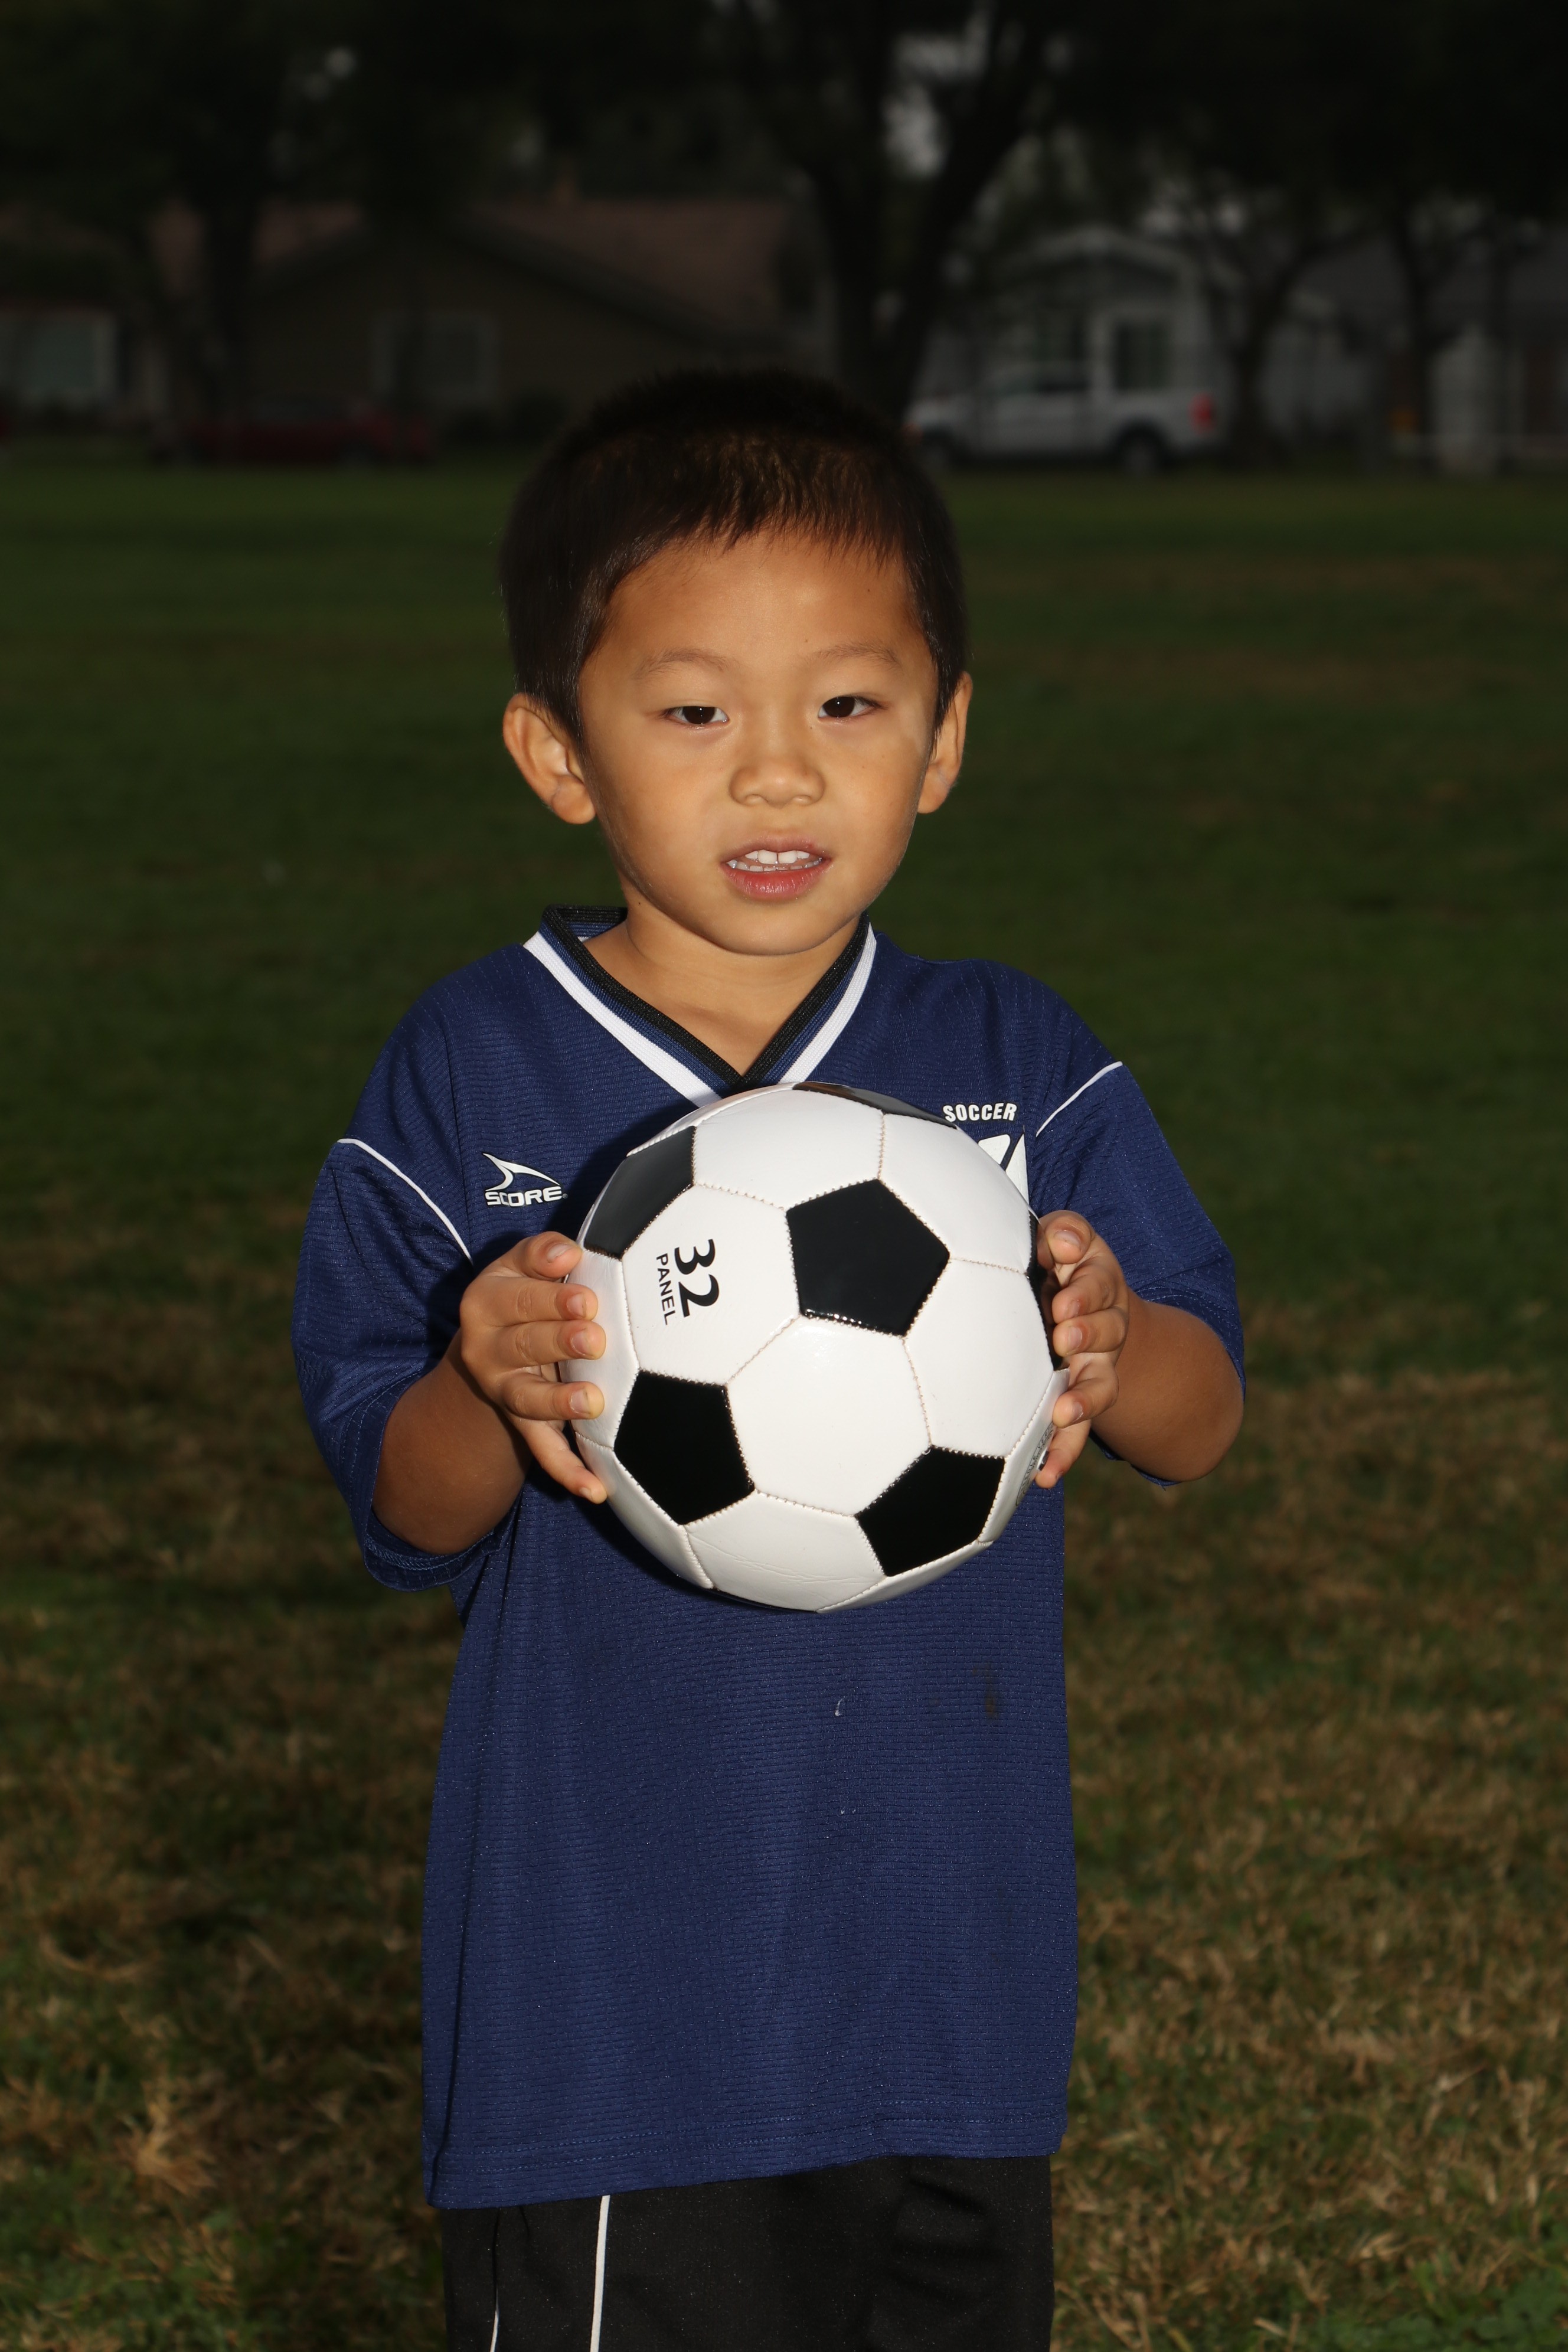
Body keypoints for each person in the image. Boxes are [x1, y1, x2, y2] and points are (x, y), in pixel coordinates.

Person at [293, 368, 1244, 2352]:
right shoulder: (475, 1069)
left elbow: (1201, 1417)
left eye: (850, 706)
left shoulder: (1015, 1064)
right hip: (614, 2027)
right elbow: (401, 1506)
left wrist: (1114, 1341)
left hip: (952, 2003)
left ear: (946, 737)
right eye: (696, 713)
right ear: (558, 752)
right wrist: (489, 1384)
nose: (782, 776)